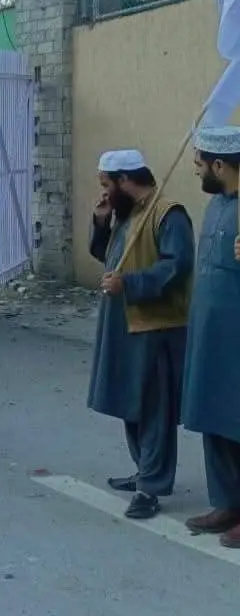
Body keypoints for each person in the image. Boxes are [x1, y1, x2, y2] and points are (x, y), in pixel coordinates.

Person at [86, 148, 194, 520]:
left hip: (154, 326)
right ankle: (144, 470)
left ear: (125, 180)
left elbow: (176, 267)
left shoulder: (169, 214)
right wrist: (100, 222)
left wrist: (129, 283)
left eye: (106, 185)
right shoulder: (124, 212)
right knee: (131, 402)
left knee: (154, 408)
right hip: (122, 322)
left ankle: (151, 487)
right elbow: (108, 256)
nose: (102, 192)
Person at [183, 126, 240, 544]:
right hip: (210, 333)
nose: (196, 170)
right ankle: (227, 503)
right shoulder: (217, 204)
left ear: (220, 165)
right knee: (214, 419)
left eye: (200, 164)